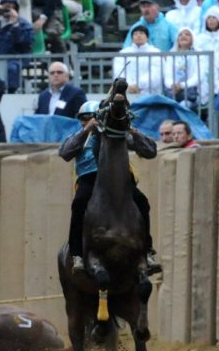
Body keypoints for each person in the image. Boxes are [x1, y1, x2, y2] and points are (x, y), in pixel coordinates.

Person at [59, 100, 159, 275]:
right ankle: (77, 255)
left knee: (142, 202)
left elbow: (150, 151)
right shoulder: (80, 136)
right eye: (84, 119)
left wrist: (131, 130)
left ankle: (147, 251)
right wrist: (86, 131)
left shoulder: (118, 135)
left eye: (92, 117)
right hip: (90, 178)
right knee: (79, 203)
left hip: (120, 179)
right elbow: (65, 152)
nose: (88, 121)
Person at [0, 0, 33, 92]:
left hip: (15, 58)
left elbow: (25, 41)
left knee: (12, 69)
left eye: (11, 7)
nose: (7, 10)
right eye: (5, 6)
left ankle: (11, 91)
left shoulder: (23, 24)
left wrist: (16, 25)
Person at [113, 25, 163, 97]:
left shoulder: (156, 52)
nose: (139, 36)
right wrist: (128, 85)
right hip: (127, 92)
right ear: (132, 38)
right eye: (135, 34)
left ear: (147, 37)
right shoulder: (123, 53)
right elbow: (118, 72)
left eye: (142, 33)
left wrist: (139, 85)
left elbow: (156, 73)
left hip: (150, 93)